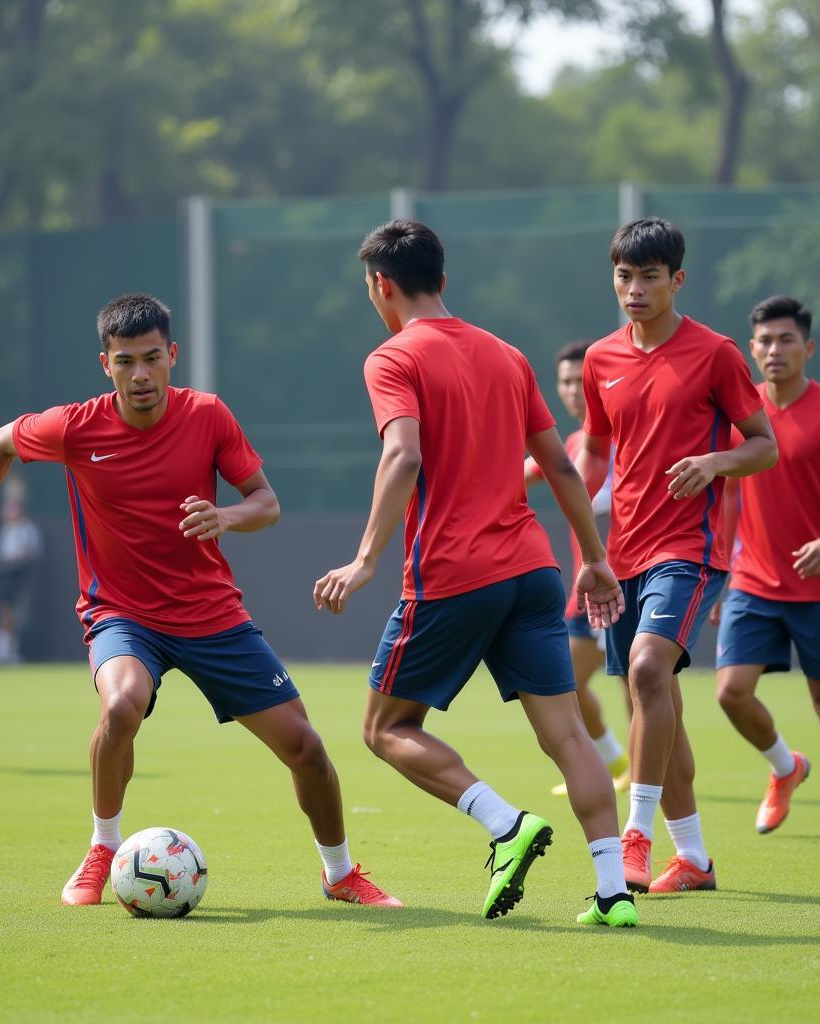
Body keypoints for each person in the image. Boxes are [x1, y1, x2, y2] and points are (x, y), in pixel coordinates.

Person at [0, 294, 399, 909]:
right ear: (105, 363)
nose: (140, 375)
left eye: (152, 358)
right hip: (122, 615)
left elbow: (266, 502)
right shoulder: (75, 427)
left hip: (212, 616)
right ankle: (105, 846)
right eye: (126, 360)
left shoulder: (208, 415)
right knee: (124, 704)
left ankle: (340, 874)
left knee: (307, 749)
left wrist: (225, 516)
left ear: (172, 356)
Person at [314, 219, 638, 928]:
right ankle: (614, 893)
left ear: (381, 285)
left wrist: (367, 557)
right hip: (533, 570)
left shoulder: (392, 359)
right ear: (445, 280)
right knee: (569, 736)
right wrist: (594, 559)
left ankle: (504, 824)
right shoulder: (506, 354)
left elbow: (402, 457)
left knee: (386, 727)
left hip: (454, 575)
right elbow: (560, 465)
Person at [581, 218, 778, 894]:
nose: (634, 290)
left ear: (677, 280)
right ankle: (692, 857)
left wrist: (715, 460)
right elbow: (597, 459)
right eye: (624, 276)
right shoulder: (602, 360)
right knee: (654, 702)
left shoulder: (716, 353)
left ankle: (634, 837)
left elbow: (764, 445)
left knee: (645, 672)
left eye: (649, 277)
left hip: (689, 550)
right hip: (623, 553)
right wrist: (587, 545)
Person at [712, 295, 820, 841]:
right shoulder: (744, 414)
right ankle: (786, 767)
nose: (774, 350)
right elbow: (728, 496)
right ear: (751, 348)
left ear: (808, 347)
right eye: (764, 341)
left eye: (786, 340)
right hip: (752, 580)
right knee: (730, 692)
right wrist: (722, 567)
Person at [524, 340, 630, 796]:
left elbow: (610, 500)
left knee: (638, 688)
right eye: (565, 382)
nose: (572, 390)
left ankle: (649, 777)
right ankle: (615, 760)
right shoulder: (570, 443)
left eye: (579, 380)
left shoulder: (621, 441)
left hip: (626, 583)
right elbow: (522, 471)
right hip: (585, 591)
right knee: (566, 687)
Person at [0, 476, 43, 665]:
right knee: (1, 611)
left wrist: (12, 561)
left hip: (17, 574)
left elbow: (30, 553)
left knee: (8, 612)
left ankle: (9, 652)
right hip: (3, 575)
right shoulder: (6, 530)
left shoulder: (27, 529)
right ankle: (0, 652)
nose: (9, 514)